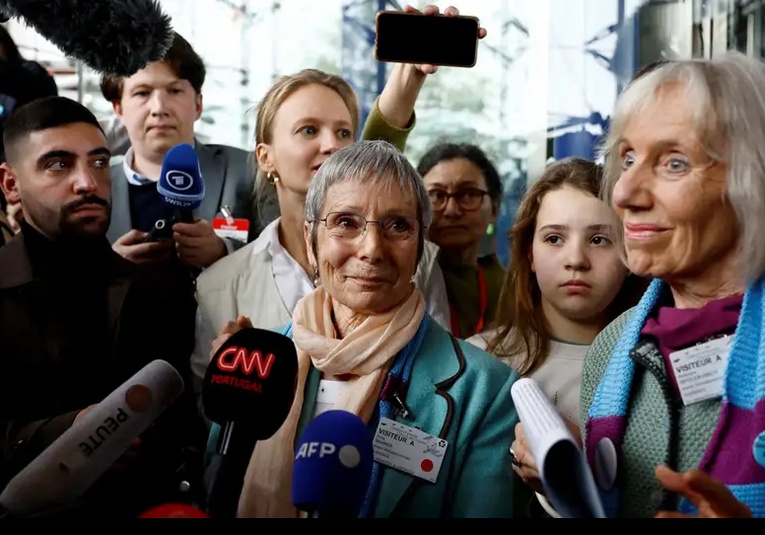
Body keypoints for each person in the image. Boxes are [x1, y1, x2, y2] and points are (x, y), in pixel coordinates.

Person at [206, 140, 518, 518]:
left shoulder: (485, 391)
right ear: (311, 239)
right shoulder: (253, 364)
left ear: (420, 246)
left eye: (398, 226)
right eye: (345, 222)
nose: (372, 249)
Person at [190, 5, 483, 400]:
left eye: (344, 131)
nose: (331, 145)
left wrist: (409, 76)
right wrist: (232, 380)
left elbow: (441, 388)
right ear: (265, 157)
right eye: (308, 130)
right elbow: (206, 424)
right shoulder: (219, 286)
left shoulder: (418, 260)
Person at [576, 51, 765, 518]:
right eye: (628, 158)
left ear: (753, 181)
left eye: (674, 163)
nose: (623, 193)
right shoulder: (611, 346)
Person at [0, 96, 207, 516]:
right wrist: (68, 433)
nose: (87, 182)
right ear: (10, 183)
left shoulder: (157, 290)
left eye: (97, 162)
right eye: (58, 164)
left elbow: (183, 426)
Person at [467, 157, 645, 517]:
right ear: (529, 253)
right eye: (554, 238)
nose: (576, 259)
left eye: (599, 239)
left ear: (630, 255)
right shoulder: (478, 363)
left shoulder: (653, 368)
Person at [99, 31, 256, 268]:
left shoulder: (248, 171)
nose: (159, 108)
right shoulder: (94, 183)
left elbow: (289, 254)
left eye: (174, 91)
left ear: (198, 105)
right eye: (142, 93)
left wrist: (224, 252)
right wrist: (109, 268)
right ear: (118, 109)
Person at [417, 142, 505, 338]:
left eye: (469, 195)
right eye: (437, 196)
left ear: (495, 208)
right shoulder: (402, 279)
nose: (451, 210)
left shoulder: (512, 291)